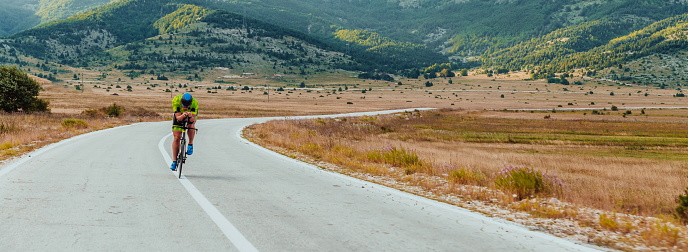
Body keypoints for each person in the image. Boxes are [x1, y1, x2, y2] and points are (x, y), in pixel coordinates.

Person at [170, 93, 198, 171]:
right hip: (179, 115)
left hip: (190, 116)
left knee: (191, 126)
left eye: (187, 106)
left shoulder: (195, 103)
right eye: (183, 106)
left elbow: (193, 119)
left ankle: (190, 144)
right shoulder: (176, 100)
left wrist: (189, 116)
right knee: (177, 137)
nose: (185, 108)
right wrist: (183, 115)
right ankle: (174, 161)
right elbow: (178, 118)